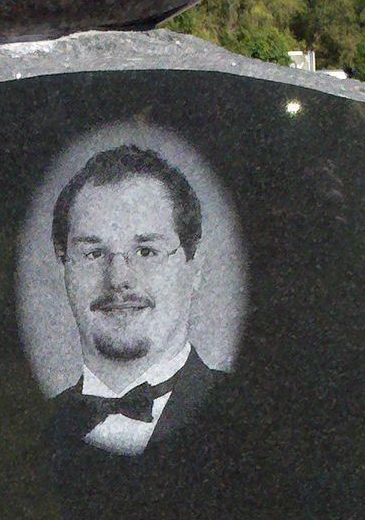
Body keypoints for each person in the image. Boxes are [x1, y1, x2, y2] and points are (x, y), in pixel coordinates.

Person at [45, 144, 228, 460]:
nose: (118, 279)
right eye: (93, 253)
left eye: (146, 252)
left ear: (194, 269)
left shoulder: (249, 414)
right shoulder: (34, 427)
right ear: (65, 270)